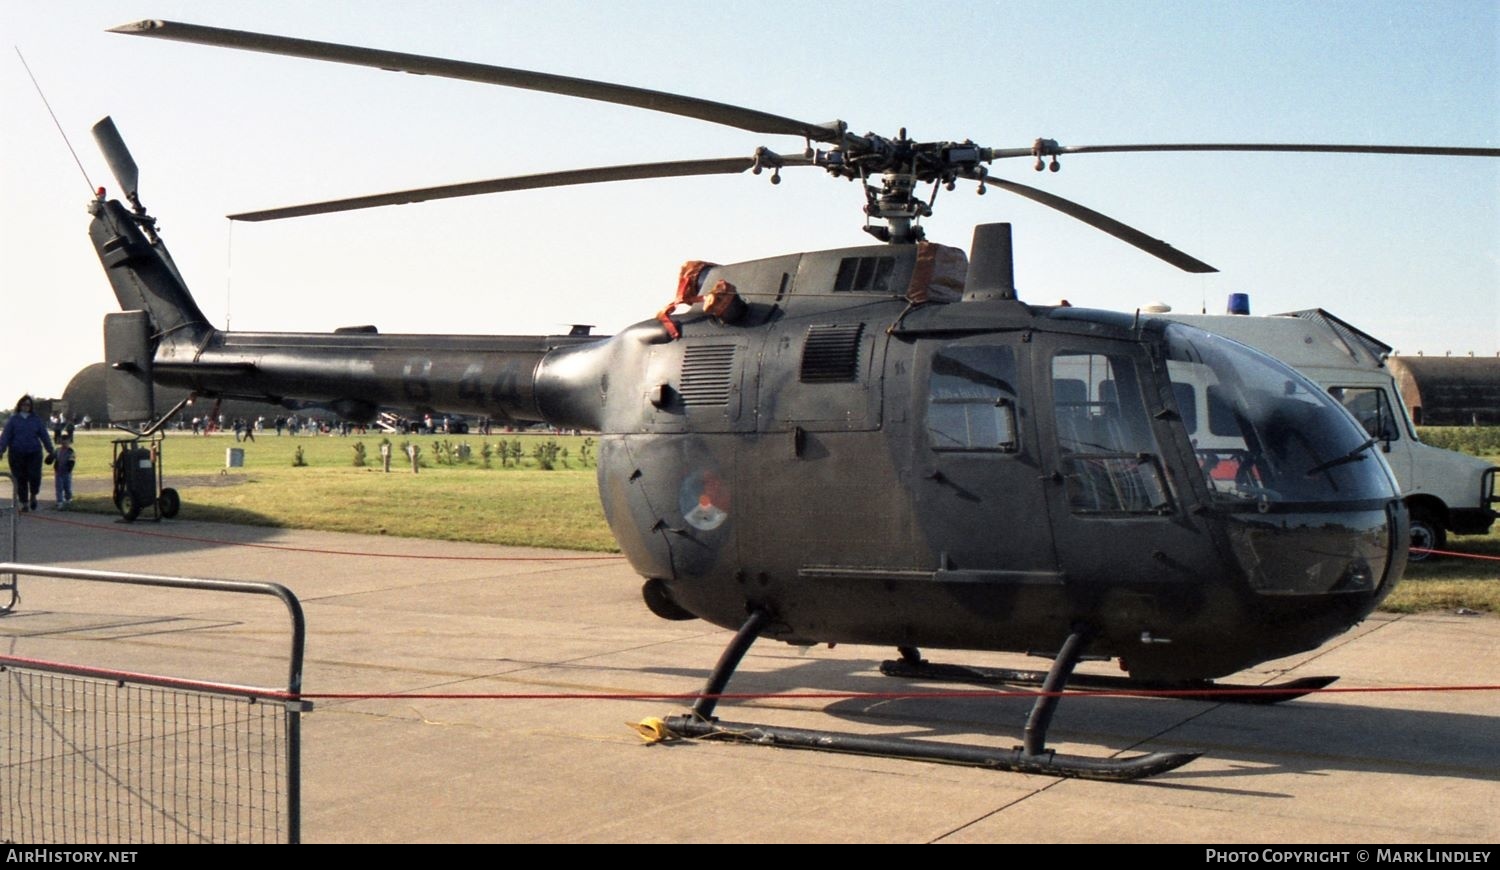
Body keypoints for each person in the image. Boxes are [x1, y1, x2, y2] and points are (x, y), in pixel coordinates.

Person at [0, 395, 55, 512]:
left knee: (35, 476)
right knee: (20, 478)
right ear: (20, 405)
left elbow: (44, 436)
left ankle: (33, 495)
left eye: (28, 405)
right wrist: (1, 450)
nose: (26, 407)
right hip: (16, 453)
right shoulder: (13, 420)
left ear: (31, 407)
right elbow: (5, 437)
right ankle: (24, 502)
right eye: (24, 404)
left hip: (34, 453)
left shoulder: (36, 420)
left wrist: (50, 450)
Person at [52, 436, 76, 509]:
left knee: (67, 487)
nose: (64, 444)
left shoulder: (70, 451)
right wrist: (50, 458)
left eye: (66, 442)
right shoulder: (58, 450)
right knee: (59, 487)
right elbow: (53, 457)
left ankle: (68, 499)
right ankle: (59, 501)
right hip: (58, 472)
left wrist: (69, 467)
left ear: (69, 442)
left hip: (66, 472)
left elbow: (72, 461)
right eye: (62, 442)